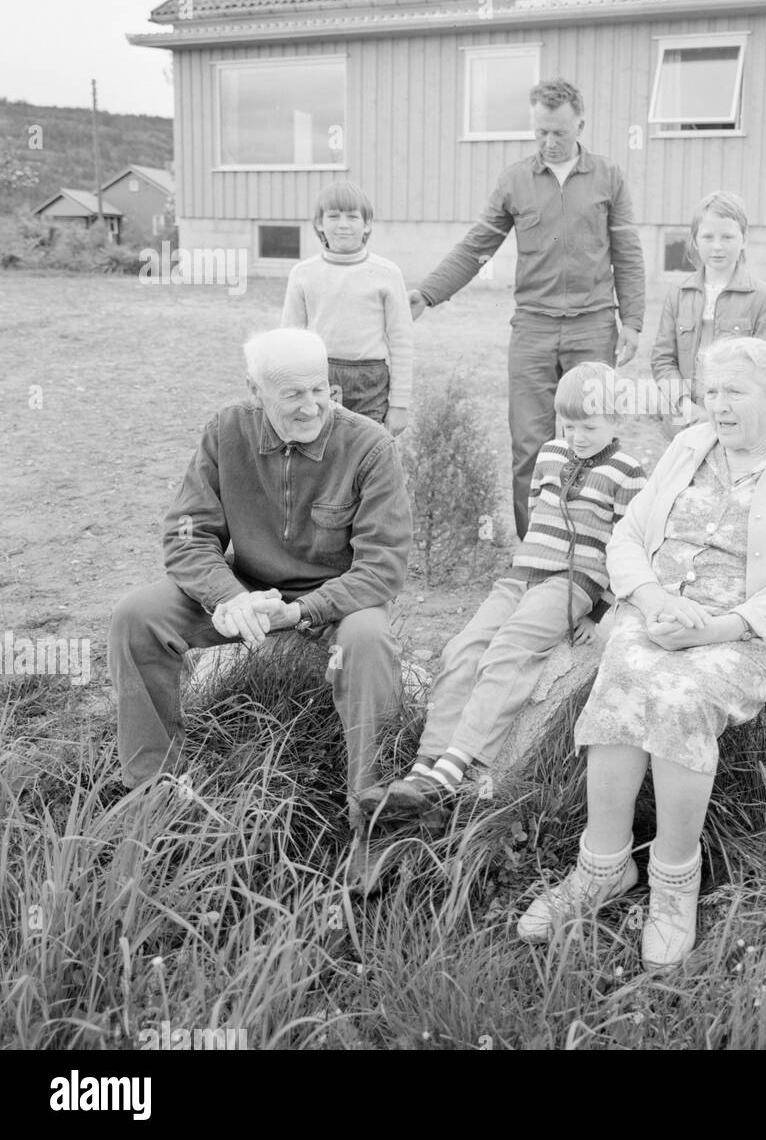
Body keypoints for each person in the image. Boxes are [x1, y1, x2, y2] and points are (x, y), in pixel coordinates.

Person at [516, 339, 766, 969]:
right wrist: (649, 597)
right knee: (623, 674)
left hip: (747, 631)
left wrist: (717, 627)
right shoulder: (690, 444)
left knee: (681, 694)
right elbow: (630, 535)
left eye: (735, 392)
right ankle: (602, 866)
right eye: (711, 390)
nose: (717, 405)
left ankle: (673, 882)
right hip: (663, 613)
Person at [107, 328, 413, 833]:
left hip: (334, 604)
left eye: (320, 390)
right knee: (136, 616)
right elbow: (187, 535)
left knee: (369, 638)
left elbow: (382, 568)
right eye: (292, 395)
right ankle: (152, 791)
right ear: (256, 392)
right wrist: (231, 598)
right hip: (245, 593)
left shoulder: (370, 446)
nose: (312, 407)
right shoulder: (226, 430)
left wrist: (301, 611)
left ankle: (373, 814)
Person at [359, 363, 647, 822]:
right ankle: (423, 768)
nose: (576, 436)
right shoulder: (551, 454)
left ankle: (457, 766)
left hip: (574, 581)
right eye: (568, 425)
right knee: (464, 648)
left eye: (589, 427)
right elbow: (534, 513)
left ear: (618, 421)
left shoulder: (628, 472)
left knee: (508, 653)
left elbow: (629, 543)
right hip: (523, 572)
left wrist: (600, 611)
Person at [409, 78, 646, 539]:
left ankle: (595, 542)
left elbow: (628, 251)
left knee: (594, 436)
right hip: (533, 328)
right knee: (530, 444)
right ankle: (534, 545)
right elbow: (479, 245)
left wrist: (632, 321)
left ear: (580, 123)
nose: (549, 142)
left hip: (593, 325)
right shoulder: (515, 180)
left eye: (559, 132)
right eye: (540, 132)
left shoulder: (608, 177)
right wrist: (430, 292)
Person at [281, 181, 414, 435]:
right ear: (320, 223)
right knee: (321, 453)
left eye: (352, 217)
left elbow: (401, 341)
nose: (343, 224)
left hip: (371, 382)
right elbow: (290, 339)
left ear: (367, 225)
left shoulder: (387, 273)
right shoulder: (303, 273)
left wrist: (399, 405)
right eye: (333, 216)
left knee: (367, 456)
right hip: (318, 378)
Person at [650, 191, 766, 438]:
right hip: (685, 420)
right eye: (708, 237)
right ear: (695, 240)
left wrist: (724, 407)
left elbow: (764, 365)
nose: (717, 246)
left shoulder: (762, 297)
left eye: (728, 237)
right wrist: (685, 405)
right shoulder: (678, 295)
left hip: (736, 420)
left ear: (744, 239)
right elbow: (662, 360)